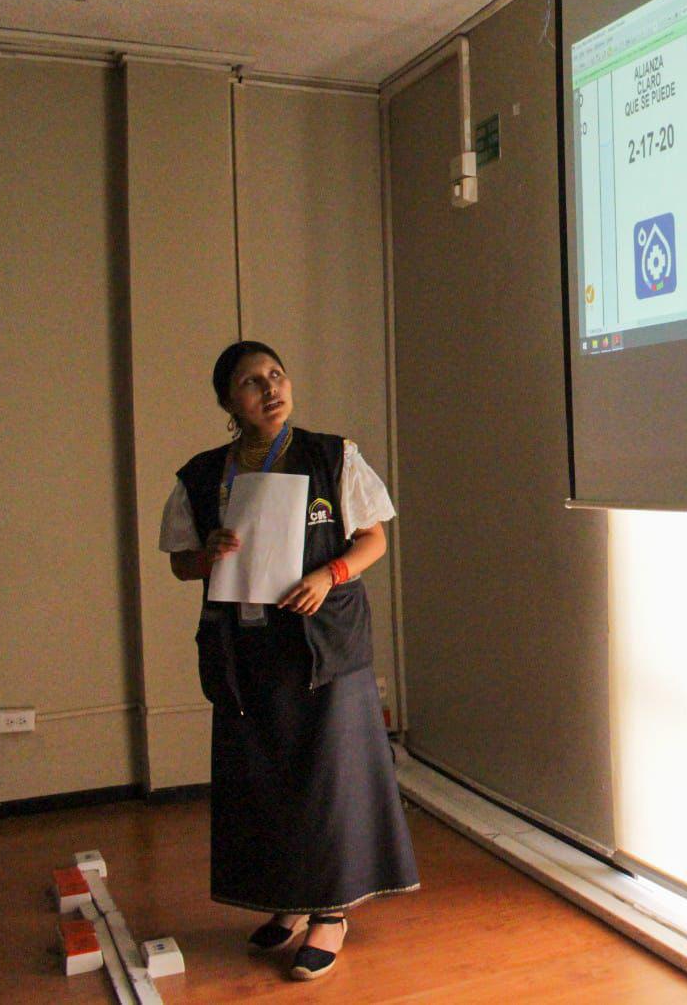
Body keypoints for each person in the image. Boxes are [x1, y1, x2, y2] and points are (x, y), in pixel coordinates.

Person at [158, 340, 419, 981]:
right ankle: (290, 901)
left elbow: (374, 539)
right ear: (228, 402)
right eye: (252, 382)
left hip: (323, 643)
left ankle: (331, 912)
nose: (271, 388)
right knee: (265, 778)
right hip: (245, 648)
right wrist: (208, 555)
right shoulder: (202, 474)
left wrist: (330, 576)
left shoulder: (333, 456)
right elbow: (180, 563)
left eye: (276, 375)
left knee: (327, 777)